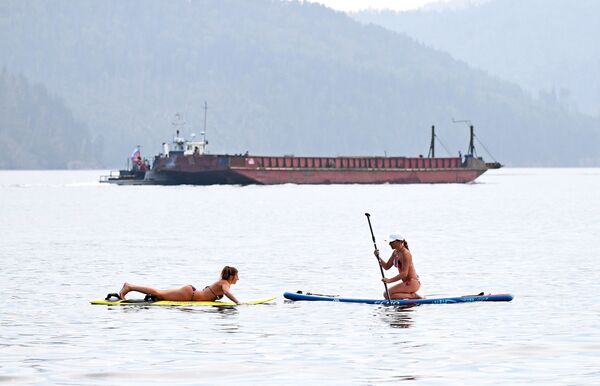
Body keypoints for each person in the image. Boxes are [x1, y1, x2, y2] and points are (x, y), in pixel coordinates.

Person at [118, 266, 241, 304]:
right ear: (231, 276)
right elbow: (226, 292)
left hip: (190, 293)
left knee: (160, 295)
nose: (238, 279)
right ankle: (129, 287)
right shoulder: (225, 283)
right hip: (189, 294)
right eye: (237, 276)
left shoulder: (221, 282)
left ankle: (155, 297)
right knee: (158, 292)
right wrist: (238, 303)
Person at [374, 233, 422, 299]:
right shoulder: (395, 252)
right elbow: (386, 266)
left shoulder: (406, 254)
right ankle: (410, 296)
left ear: (400, 242)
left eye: (392, 242)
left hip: (412, 283)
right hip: (406, 283)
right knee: (389, 296)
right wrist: (378, 257)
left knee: (386, 294)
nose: (389, 244)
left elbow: (404, 274)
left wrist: (389, 280)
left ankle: (413, 296)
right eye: (389, 242)